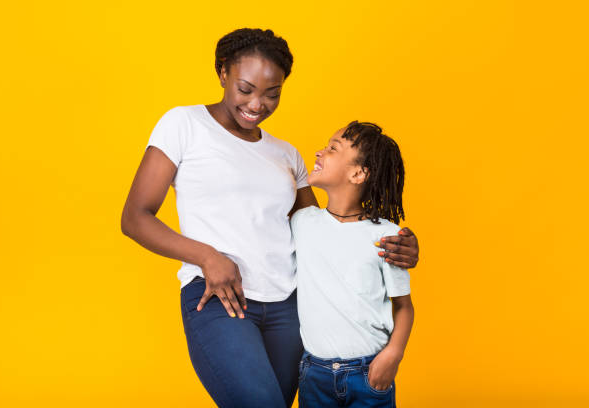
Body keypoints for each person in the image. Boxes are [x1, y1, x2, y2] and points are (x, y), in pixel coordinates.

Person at [121, 28, 419, 408]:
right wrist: (208, 257)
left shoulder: (286, 155)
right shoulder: (184, 124)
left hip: (290, 308)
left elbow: (326, 227)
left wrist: (398, 244)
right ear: (222, 72)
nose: (257, 104)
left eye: (272, 93)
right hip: (219, 297)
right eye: (246, 89)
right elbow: (134, 217)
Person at [292, 121, 413, 408]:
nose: (320, 152)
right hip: (314, 374)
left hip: (369, 373)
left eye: (333, 148)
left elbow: (404, 306)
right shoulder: (301, 222)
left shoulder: (385, 236)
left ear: (358, 173)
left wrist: (393, 356)